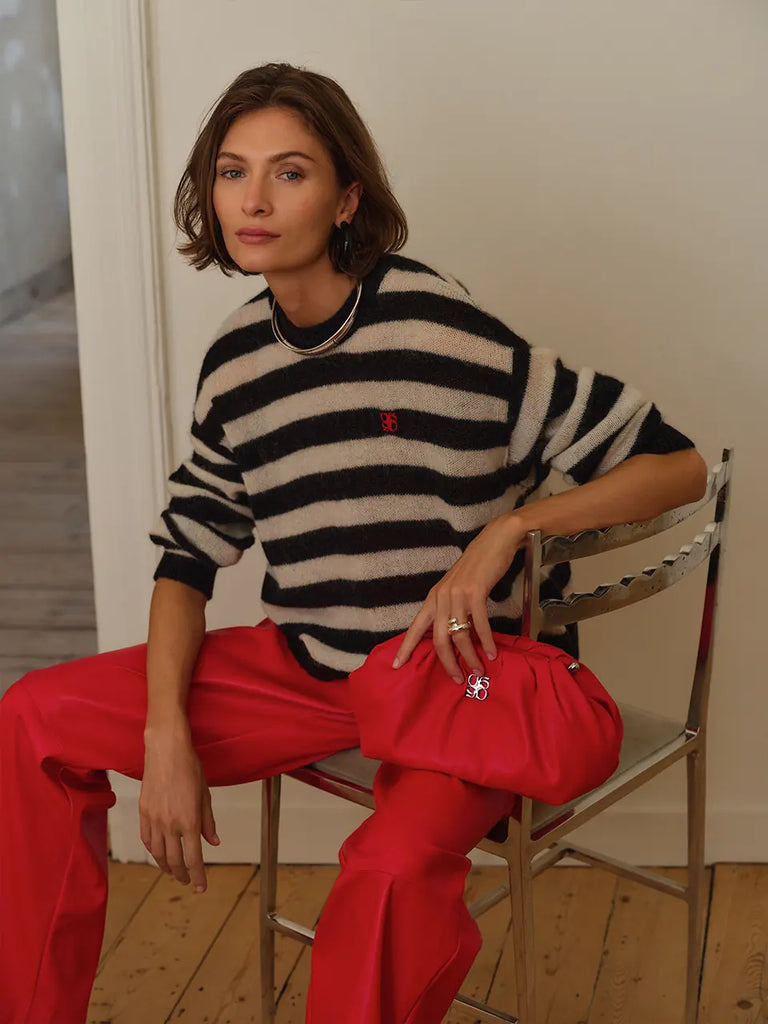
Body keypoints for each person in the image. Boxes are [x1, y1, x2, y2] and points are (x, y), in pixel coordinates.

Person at [0, 61, 708, 1024]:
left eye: (289, 172)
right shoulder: (236, 366)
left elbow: (676, 465)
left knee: (385, 872)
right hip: (306, 674)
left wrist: (512, 528)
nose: (253, 200)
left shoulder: (443, 333)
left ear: (347, 199)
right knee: (34, 719)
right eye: (232, 171)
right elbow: (187, 559)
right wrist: (165, 734)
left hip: (453, 679)